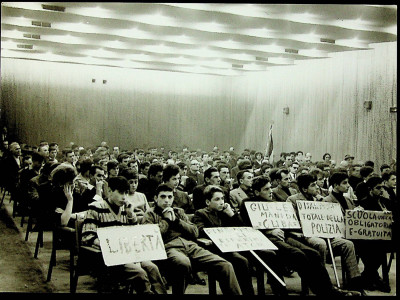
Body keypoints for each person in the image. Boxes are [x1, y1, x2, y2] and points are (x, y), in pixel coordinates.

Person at [240, 176, 361, 296]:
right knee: (298, 255)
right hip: (265, 239)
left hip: (285, 236)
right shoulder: (247, 204)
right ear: (256, 192)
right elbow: (246, 228)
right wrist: (269, 232)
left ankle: (328, 289)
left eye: (270, 188)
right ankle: (323, 291)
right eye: (266, 189)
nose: (270, 191)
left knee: (313, 254)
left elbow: (287, 225)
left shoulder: (274, 204)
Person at [142, 184, 242, 295]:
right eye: (163, 197)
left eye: (170, 197)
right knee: (183, 263)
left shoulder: (178, 212)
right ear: (156, 198)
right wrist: (166, 220)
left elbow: (195, 232)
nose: (167, 200)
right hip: (169, 248)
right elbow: (151, 237)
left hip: (191, 246)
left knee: (225, 265)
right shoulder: (150, 214)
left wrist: (177, 221)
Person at [81, 176, 167, 294]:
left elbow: (135, 235)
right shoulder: (95, 208)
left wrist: (131, 215)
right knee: (140, 273)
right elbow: (87, 237)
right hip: (107, 258)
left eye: (126, 193)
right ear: (110, 191)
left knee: (152, 268)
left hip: (128, 254)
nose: (124, 197)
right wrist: (108, 246)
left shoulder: (125, 209)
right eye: (120, 192)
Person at [287, 173, 366, 294]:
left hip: (325, 233)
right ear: (304, 188)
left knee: (348, 244)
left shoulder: (321, 200)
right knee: (320, 244)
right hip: (305, 235)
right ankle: (323, 284)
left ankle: (355, 283)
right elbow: (290, 221)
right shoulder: (292, 200)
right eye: (313, 185)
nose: (317, 188)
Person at [192, 185, 255, 295]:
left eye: (222, 198)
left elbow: (241, 229)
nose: (221, 202)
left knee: (246, 260)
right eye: (217, 199)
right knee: (239, 261)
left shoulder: (224, 213)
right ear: (207, 202)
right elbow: (200, 231)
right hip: (213, 249)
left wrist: (232, 214)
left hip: (230, 247)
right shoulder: (200, 214)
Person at [356, 176, 393, 293]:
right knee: (374, 248)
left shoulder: (386, 202)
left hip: (386, 237)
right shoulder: (364, 203)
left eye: (382, 187)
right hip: (369, 240)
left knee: (379, 247)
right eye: (378, 188)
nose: (381, 190)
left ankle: (367, 276)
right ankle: (373, 277)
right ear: (370, 189)